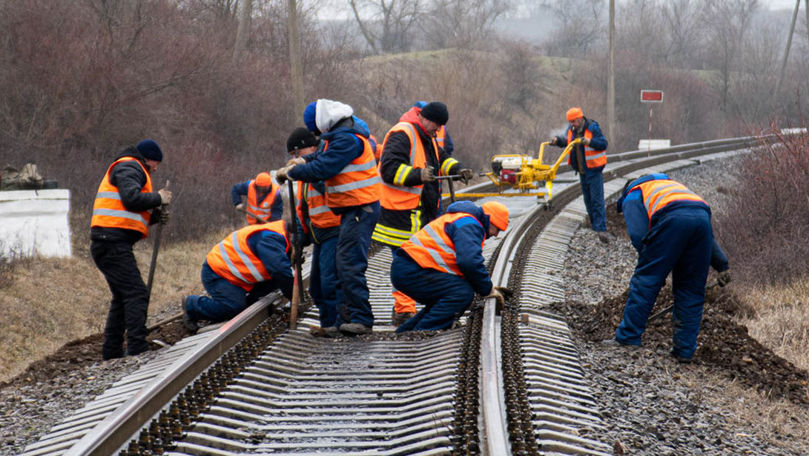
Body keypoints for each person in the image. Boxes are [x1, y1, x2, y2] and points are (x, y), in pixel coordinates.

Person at [275, 99, 382, 335]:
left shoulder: (346, 138)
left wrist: (295, 171)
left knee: (349, 266)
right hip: (352, 210)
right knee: (344, 267)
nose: (316, 135)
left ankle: (361, 319)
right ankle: (346, 320)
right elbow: (320, 157)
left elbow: (325, 167)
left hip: (359, 209)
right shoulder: (341, 136)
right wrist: (302, 161)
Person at [371, 101, 474, 326]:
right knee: (406, 262)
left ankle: (414, 309)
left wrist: (457, 169)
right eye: (435, 126)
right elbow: (389, 169)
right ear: (425, 119)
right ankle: (404, 311)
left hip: (417, 213)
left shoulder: (425, 135)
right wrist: (417, 175)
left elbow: (441, 159)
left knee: (418, 261)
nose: (437, 131)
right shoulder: (403, 133)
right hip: (400, 215)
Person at [611, 173, 731, 362]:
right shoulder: (673, 187)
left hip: (672, 219)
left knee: (646, 282)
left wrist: (652, 262)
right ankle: (684, 351)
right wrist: (722, 265)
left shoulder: (633, 193)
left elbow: (638, 233)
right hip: (701, 217)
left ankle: (628, 338)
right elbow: (707, 235)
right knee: (691, 289)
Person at [90, 139, 172, 360]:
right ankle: (136, 347)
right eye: (157, 163)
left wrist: (155, 217)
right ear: (149, 158)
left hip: (109, 241)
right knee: (136, 293)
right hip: (111, 241)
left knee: (122, 296)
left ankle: (112, 352)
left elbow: (130, 213)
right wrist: (158, 198)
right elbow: (132, 199)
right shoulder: (129, 166)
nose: (156, 168)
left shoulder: (131, 168)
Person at [392, 200, 511, 332]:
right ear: (489, 220)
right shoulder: (470, 225)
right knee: (461, 293)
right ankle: (423, 332)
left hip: (409, 267)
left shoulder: (464, 220)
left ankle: (405, 332)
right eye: (497, 229)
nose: (496, 234)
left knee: (443, 299)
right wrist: (488, 289)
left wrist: (486, 286)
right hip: (412, 269)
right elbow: (469, 262)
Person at [182, 220, 294, 331]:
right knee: (234, 307)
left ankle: (247, 301)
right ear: (291, 236)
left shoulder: (278, 235)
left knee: (276, 281)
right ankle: (192, 305)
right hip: (219, 273)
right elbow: (280, 271)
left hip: (238, 276)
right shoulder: (270, 239)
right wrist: (293, 297)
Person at [285, 127, 343, 337]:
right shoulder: (307, 172)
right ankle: (328, 321)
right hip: (319, 232)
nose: (295, 158)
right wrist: (297, 240)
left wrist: (308, 171)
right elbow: (303, 210)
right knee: (317, 286)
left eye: (296, 153)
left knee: (329, 281)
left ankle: (333, 324)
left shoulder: (324, 164)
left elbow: (331, 189)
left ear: (308, 147)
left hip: (334, 228)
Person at [550, 107, 608, 236]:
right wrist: (558, 141)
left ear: (580, 118)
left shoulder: (592, 128)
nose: (572, 124)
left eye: (574, 121)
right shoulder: (572, 130)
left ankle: (600, 228)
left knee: (596, 200)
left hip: (594, 170)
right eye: (570, 122)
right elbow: (567, 140)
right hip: (582, 171)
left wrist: (589, 142)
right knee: (588, 200)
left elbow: (603, 143)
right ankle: (594, 225)